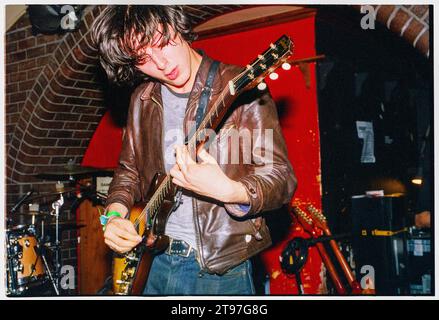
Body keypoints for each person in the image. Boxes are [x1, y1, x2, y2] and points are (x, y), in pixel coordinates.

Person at [92, 5, 296, 295]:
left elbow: (281, 178)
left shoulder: (241, 87)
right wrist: (113, 217)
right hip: (153, 260)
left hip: (218, 269)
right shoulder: (142, 99)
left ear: (176, 24)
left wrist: (231, 191)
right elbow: (129, 173)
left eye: (162, 43)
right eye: (143, 59)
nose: (161, 63)